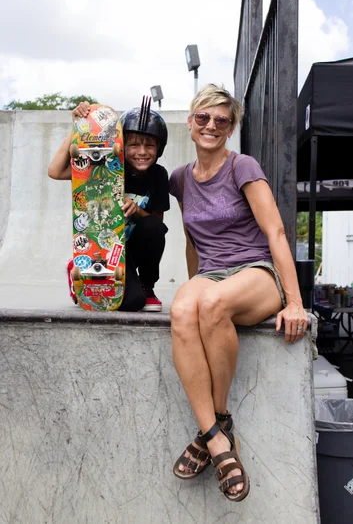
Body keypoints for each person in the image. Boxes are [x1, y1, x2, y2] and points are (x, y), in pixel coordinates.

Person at [169, 84, 309, 502]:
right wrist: (189, 289)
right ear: (191, 123)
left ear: (230, 129)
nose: (211, 125)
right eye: (203, 118)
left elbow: (276, 232)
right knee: (182, 312)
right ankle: (215, 437)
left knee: (212, 304)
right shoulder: (179, 179)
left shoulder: (242, 166)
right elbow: (193, 241)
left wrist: (296, 300)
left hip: (256, 271)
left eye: (221, 120)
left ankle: (220, 418)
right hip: (212, 273)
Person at [48, 97, 169, 311]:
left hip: (132, 251)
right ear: (121, 146)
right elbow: (55, 171)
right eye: (134, 145)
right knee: (132, 303)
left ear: (159, 149)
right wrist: (77, 128)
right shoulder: (104, 167)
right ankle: (76, 273)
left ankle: (147, 287)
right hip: (106, 249)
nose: (142, 152)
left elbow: (156, 225)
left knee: (154, 228)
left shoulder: (158, 175)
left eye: (149, 146)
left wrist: (137, 210)